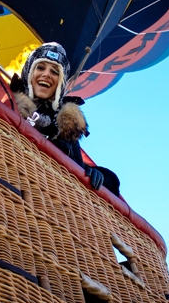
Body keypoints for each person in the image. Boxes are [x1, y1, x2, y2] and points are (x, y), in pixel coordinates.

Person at [10, 43, 120, 194]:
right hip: (10, 180)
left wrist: (101, 176)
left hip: (48, 198)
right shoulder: (7, 99)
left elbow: (77, 167)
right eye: (41, 68)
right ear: (29, 72)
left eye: (55, 71)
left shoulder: (65, 127)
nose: (47, 74)